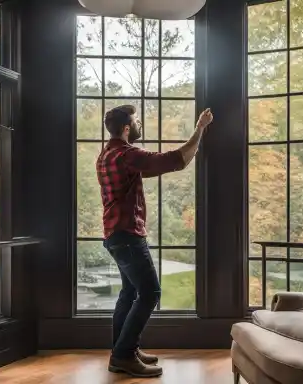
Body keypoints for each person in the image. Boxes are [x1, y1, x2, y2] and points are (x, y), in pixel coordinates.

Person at [96, 105, 213, 377]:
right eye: (136, 121)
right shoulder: (126, 155)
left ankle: (124, 350)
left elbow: (163, 164)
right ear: (126, 128)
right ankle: (123, 355)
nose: (139, 125)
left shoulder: (106, 154)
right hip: (127, 234)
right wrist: (200, 129)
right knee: (151, 293)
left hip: (115, 234)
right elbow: (177, 160)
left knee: (129, 293)